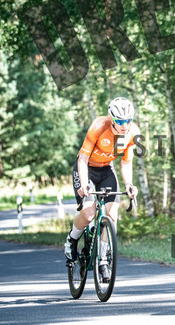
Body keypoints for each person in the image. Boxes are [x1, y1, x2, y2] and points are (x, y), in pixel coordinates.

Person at [64, 97, 140, 281]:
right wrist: (84, 183)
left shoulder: (132, 133)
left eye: (128, 120)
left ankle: (103, 260)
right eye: (120, 121)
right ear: (112, 119)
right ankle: (72, 239)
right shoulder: (99, 126)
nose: (125, 125)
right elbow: (83, 159)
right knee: (88, 215)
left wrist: (129, 184)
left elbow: (126, 162)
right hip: (87, 169)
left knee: (112, 215)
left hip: (106, 170)